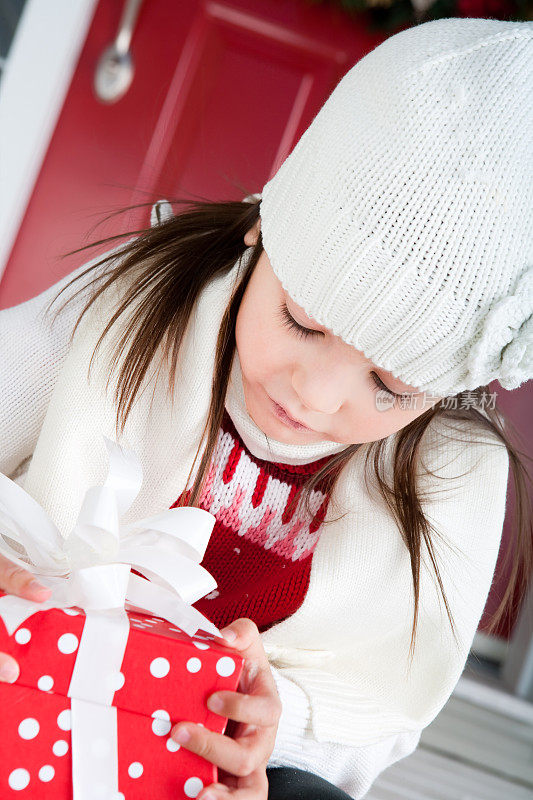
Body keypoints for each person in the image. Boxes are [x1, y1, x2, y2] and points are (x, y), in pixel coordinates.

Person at [0, 16, 532, 800]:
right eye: (301, 322)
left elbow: (378, 706)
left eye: (389, 388)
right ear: (265, 224)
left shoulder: (454, 474)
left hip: (204, 753)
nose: (311, 398)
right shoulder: (130, 306)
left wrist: (279, 731)